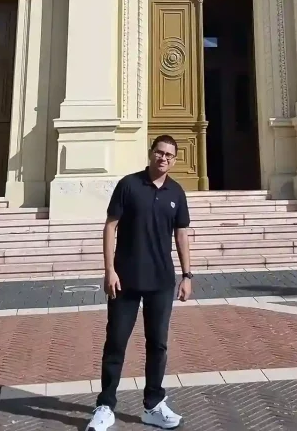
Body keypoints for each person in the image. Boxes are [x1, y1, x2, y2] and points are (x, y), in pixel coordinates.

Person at [87, 135, 192, 431]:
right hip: (125, 281)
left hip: (161, 281)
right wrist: (109, 270)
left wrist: (187, 275)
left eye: (170, 155)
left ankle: (153, 405)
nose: (164, 158)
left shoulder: (177, 192)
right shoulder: (129, 185)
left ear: (174, 160)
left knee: (157, 344)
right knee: (116, 343)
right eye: (159, 153)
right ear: (151, 154)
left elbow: (181, 234)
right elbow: (110, 226)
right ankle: (105, 406)